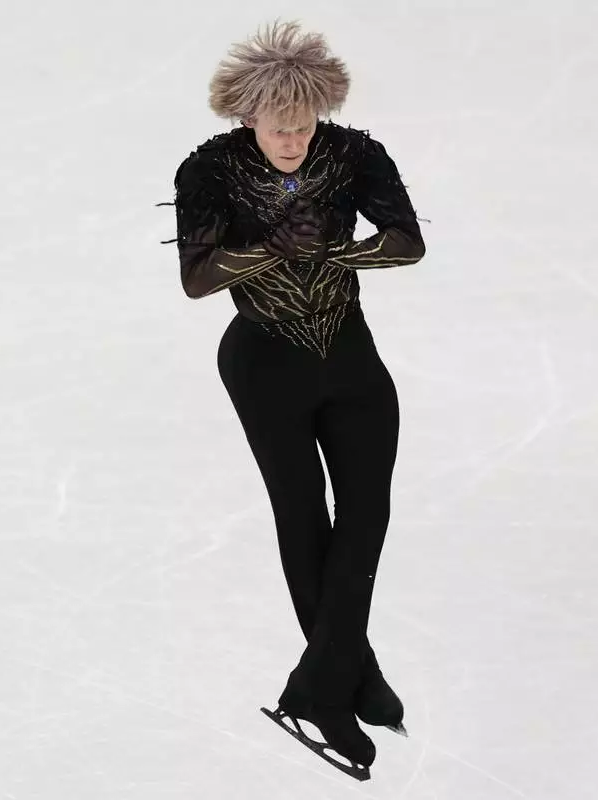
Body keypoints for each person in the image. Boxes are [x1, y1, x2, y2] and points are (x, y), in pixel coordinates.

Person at [168, 19, 426, 775]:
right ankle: (344, 680)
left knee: (368, 512)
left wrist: (337, 248)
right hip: (263, 365)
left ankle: (328, 678)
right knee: (304, 516)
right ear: (247, 116)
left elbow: (407, 241)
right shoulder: (207, 172)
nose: (293, 141)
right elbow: (195, 278)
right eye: (279, 130)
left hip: (350, 356)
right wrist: (273, 248)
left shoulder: (353, 154)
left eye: (304, 126)